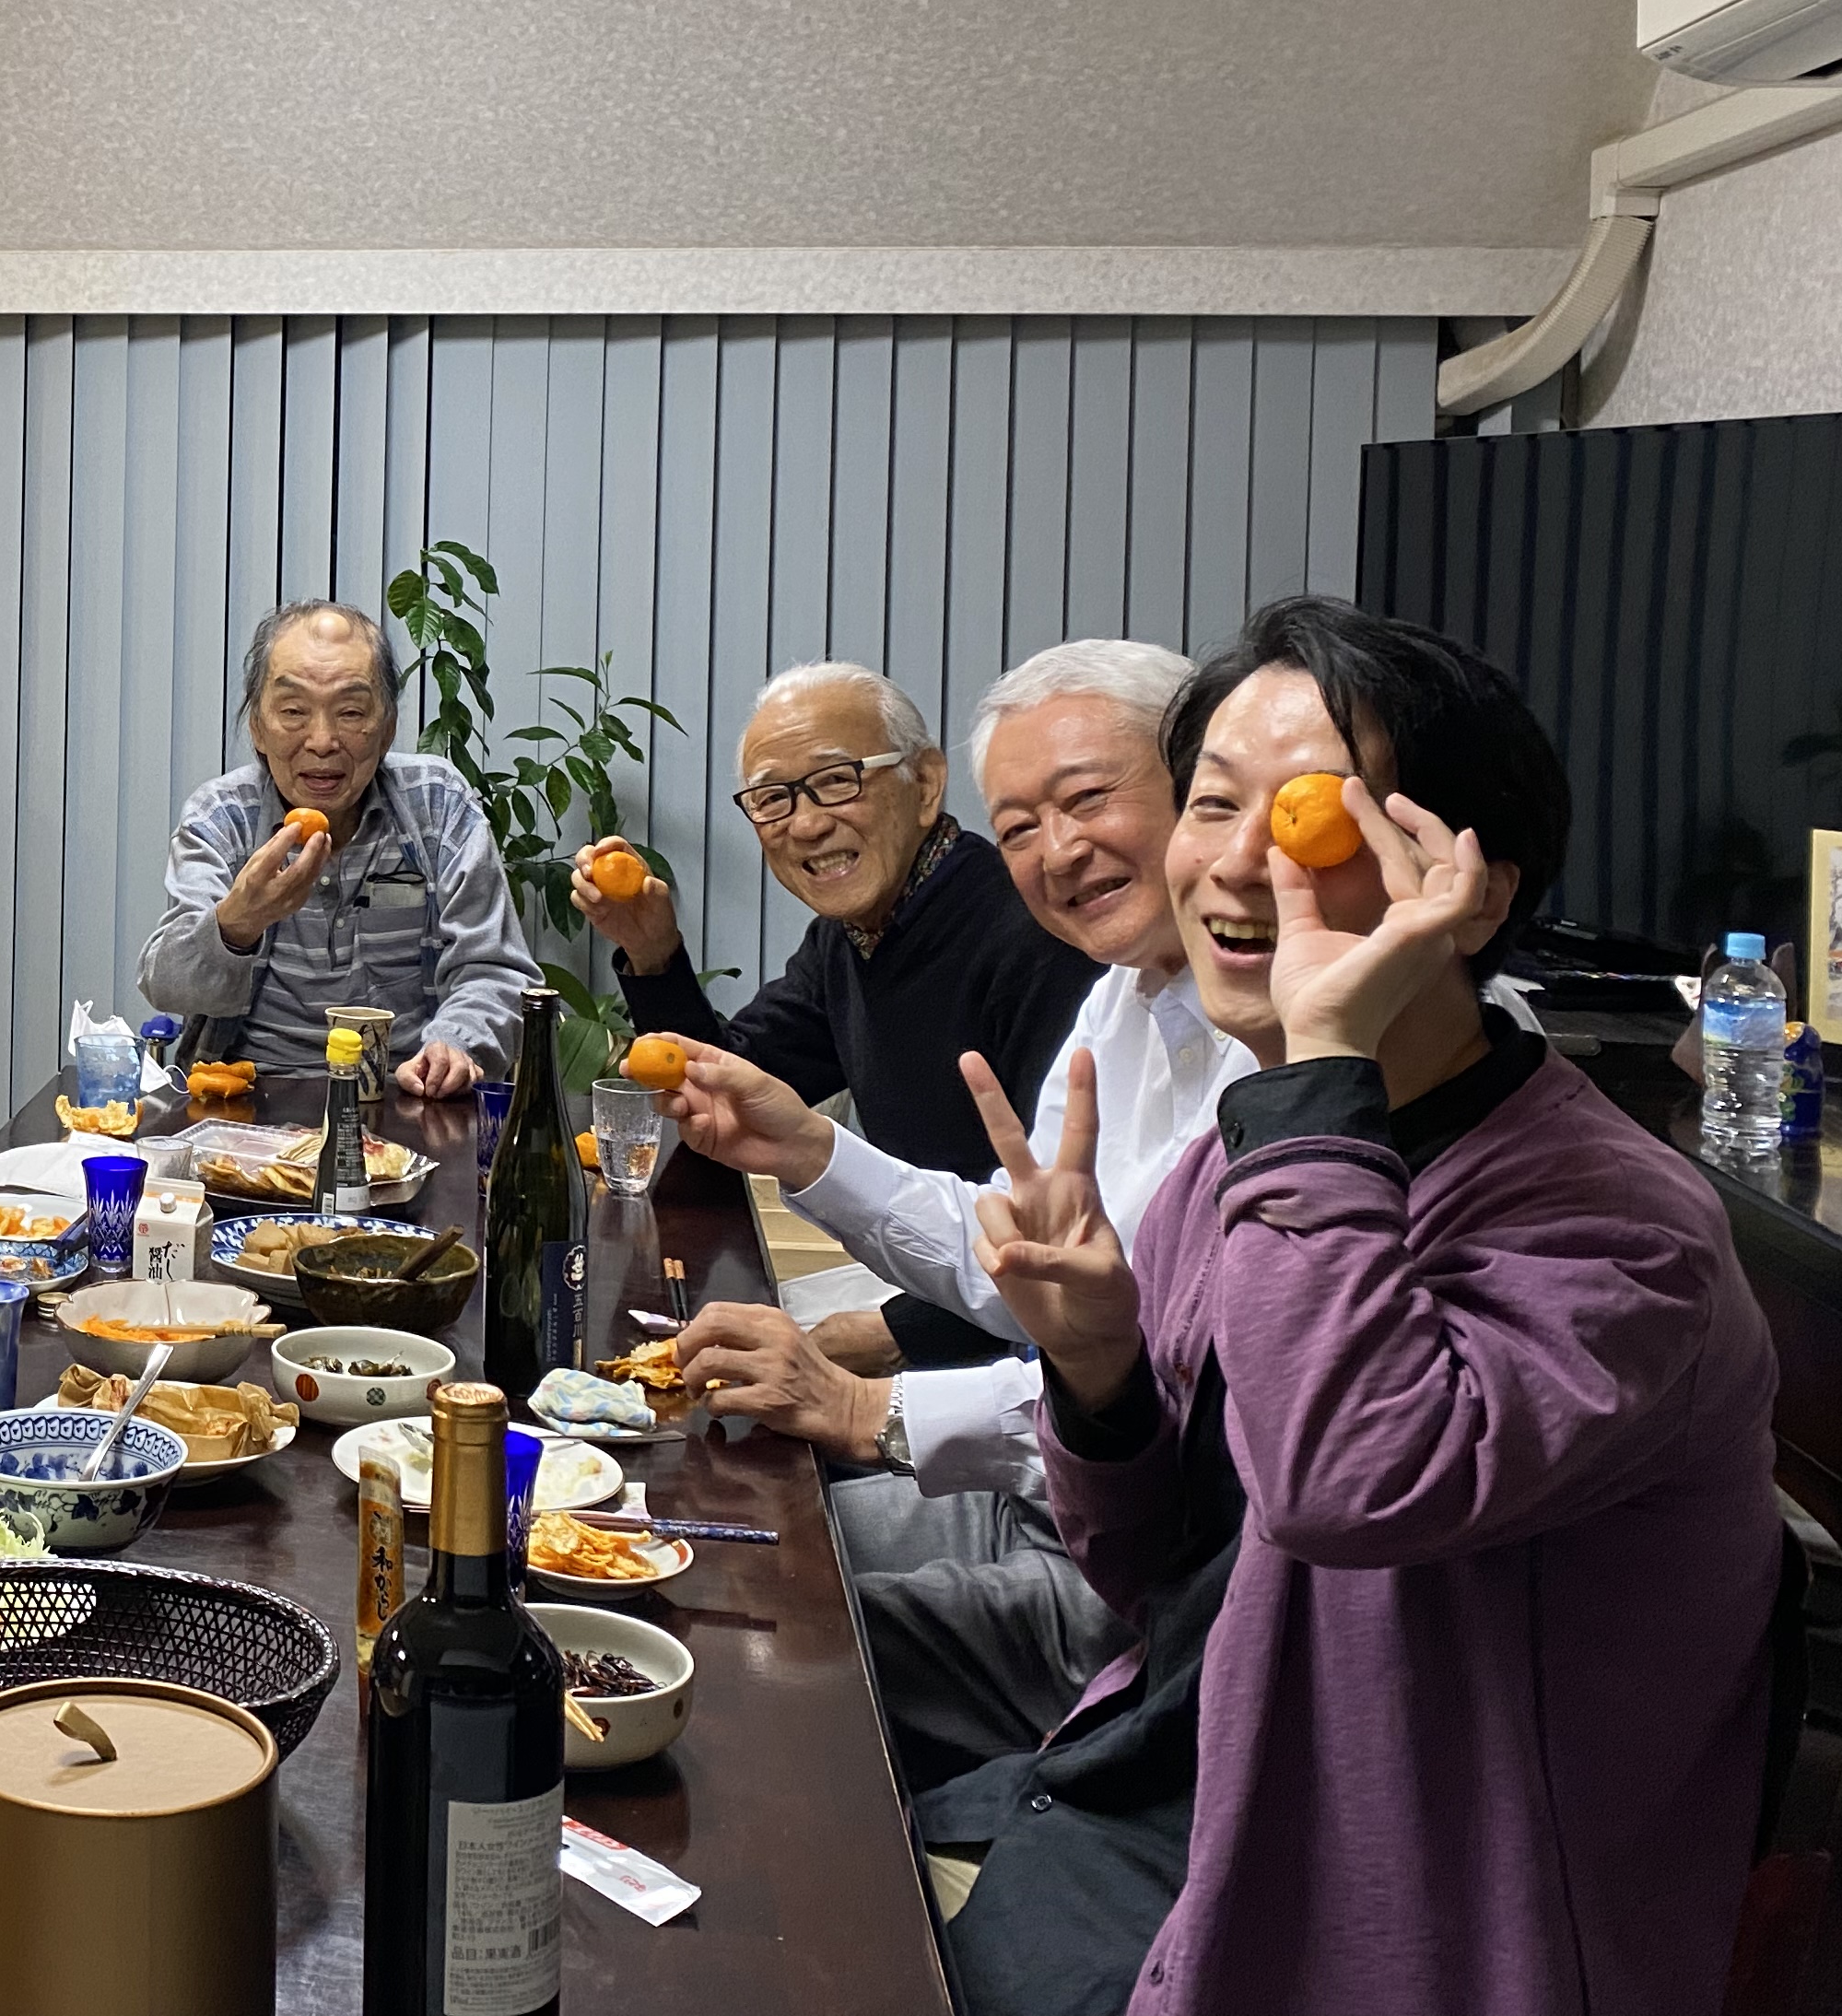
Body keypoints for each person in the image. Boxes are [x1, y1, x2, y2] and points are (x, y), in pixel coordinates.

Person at [946, 599, 1777, 2015]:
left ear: (1472, 893)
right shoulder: (1245, 1163)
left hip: (1393, 1930)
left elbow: (1352, 1487)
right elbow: (1160, 1579)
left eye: (1316, 817)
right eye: (1214, 803)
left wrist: (1316, 1056)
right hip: (1171, 1811)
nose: (1237, 863)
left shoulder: (1626, 1230)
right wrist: (1098, 1374)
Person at [649, 641, 1224, 1775]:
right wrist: (808, 1147)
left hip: (1143, 1595)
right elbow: (1022, 1260)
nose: (1058, 851)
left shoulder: (1296, 1049)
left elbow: (1183, 1401)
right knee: (681, 1548)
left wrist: (864, 1403)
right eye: (1023, 826)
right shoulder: (1124, 995)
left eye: (1088, 799)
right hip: (1035, 1486)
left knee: (731, 1649)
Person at [576, 659, 1095, 1184]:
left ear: (925, 784)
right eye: (772, 798)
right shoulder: (850, 936)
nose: (807, 824)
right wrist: (652, 951)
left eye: (837, 780)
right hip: (913, 1234)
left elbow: (1072, 1196)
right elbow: (725, 1089)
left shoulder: (1037, 935)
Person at [137, 600, 536, 1096]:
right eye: (293, 711)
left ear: (387, 727)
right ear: (257, 727)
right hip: (249, 1099)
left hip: (408, 1097)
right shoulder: (223, 817)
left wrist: (456, 1044)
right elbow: (166, 983)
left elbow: (495, 970)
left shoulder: (437, 805)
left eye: (350, 712)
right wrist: (236, 924)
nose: (322, 741)